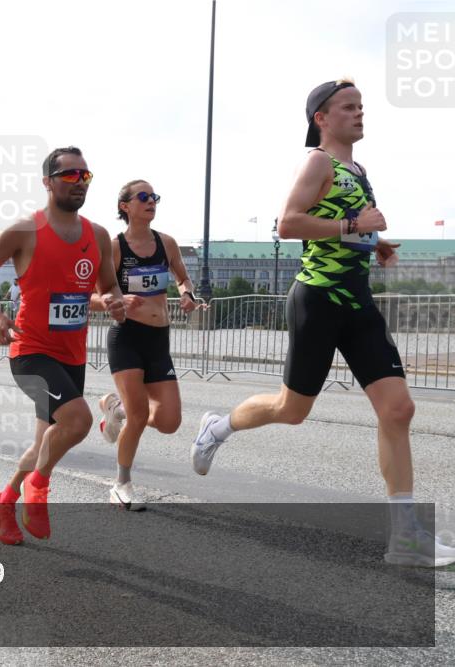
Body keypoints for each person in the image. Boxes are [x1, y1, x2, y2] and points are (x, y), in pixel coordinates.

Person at [191, 78, 455, 568]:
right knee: (292, 410)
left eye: (362, 106)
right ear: (321, 118)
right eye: (348, 107)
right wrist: (357, 227)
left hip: (357, 303)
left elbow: (343, 225)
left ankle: (406, 537)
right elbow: (288, 224)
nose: (359, 114)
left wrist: (373, 244)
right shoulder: (317, 161)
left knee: (398, 410)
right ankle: (217, 427)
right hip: (317, 301)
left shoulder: (359, 169)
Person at [0, 146, 133, 544]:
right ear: (48, 182)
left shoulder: (96, 235)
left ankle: (4, 500)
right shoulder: (26, 230)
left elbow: (108, 285)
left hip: (71, 355)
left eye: (86, 176)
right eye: (70, 175)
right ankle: (37, 491)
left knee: (44, 441)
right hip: (30, 351)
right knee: (76, 422)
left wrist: (114, 300)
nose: (80, 182)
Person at [92, 180, 201, 510]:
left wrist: (187, 294)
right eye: (143, 197)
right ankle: (121, 484)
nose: (151, 201)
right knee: (140, 416)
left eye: (154, 196)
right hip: (126, 337)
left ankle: (117, 409)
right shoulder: (113, 247)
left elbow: (183, 278)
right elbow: (92, 296)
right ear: (125, 206)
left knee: (169, 422)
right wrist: (117, 299)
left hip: (158, 339)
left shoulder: (166, 243)